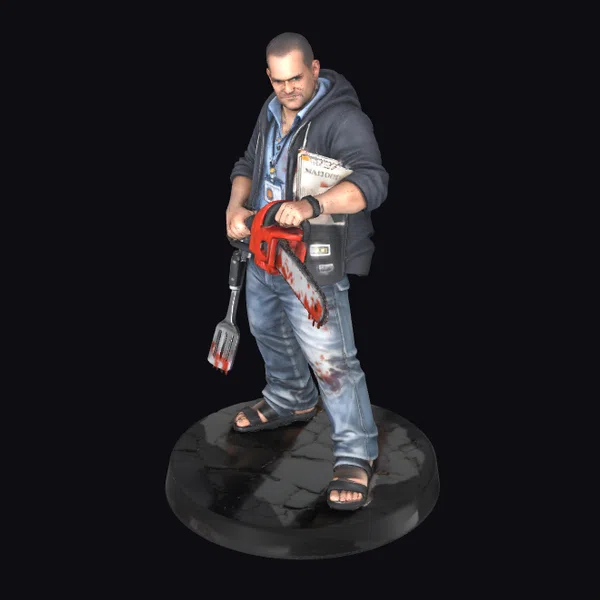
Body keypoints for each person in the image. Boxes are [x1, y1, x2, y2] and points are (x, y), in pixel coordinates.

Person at [225, 32, 389, 510]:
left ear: (315, 69)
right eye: (278, 81)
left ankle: (356, 453)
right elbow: (248, 163)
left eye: (296, 78)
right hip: (263, 248)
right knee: (267, 330)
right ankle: (290, 397)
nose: (288, 89)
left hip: (312, 258)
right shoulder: (270, 109)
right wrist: (235, 206)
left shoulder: (343, 119)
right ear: (269, 78)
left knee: (332, 361)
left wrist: (312, 205)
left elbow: (372, 181)